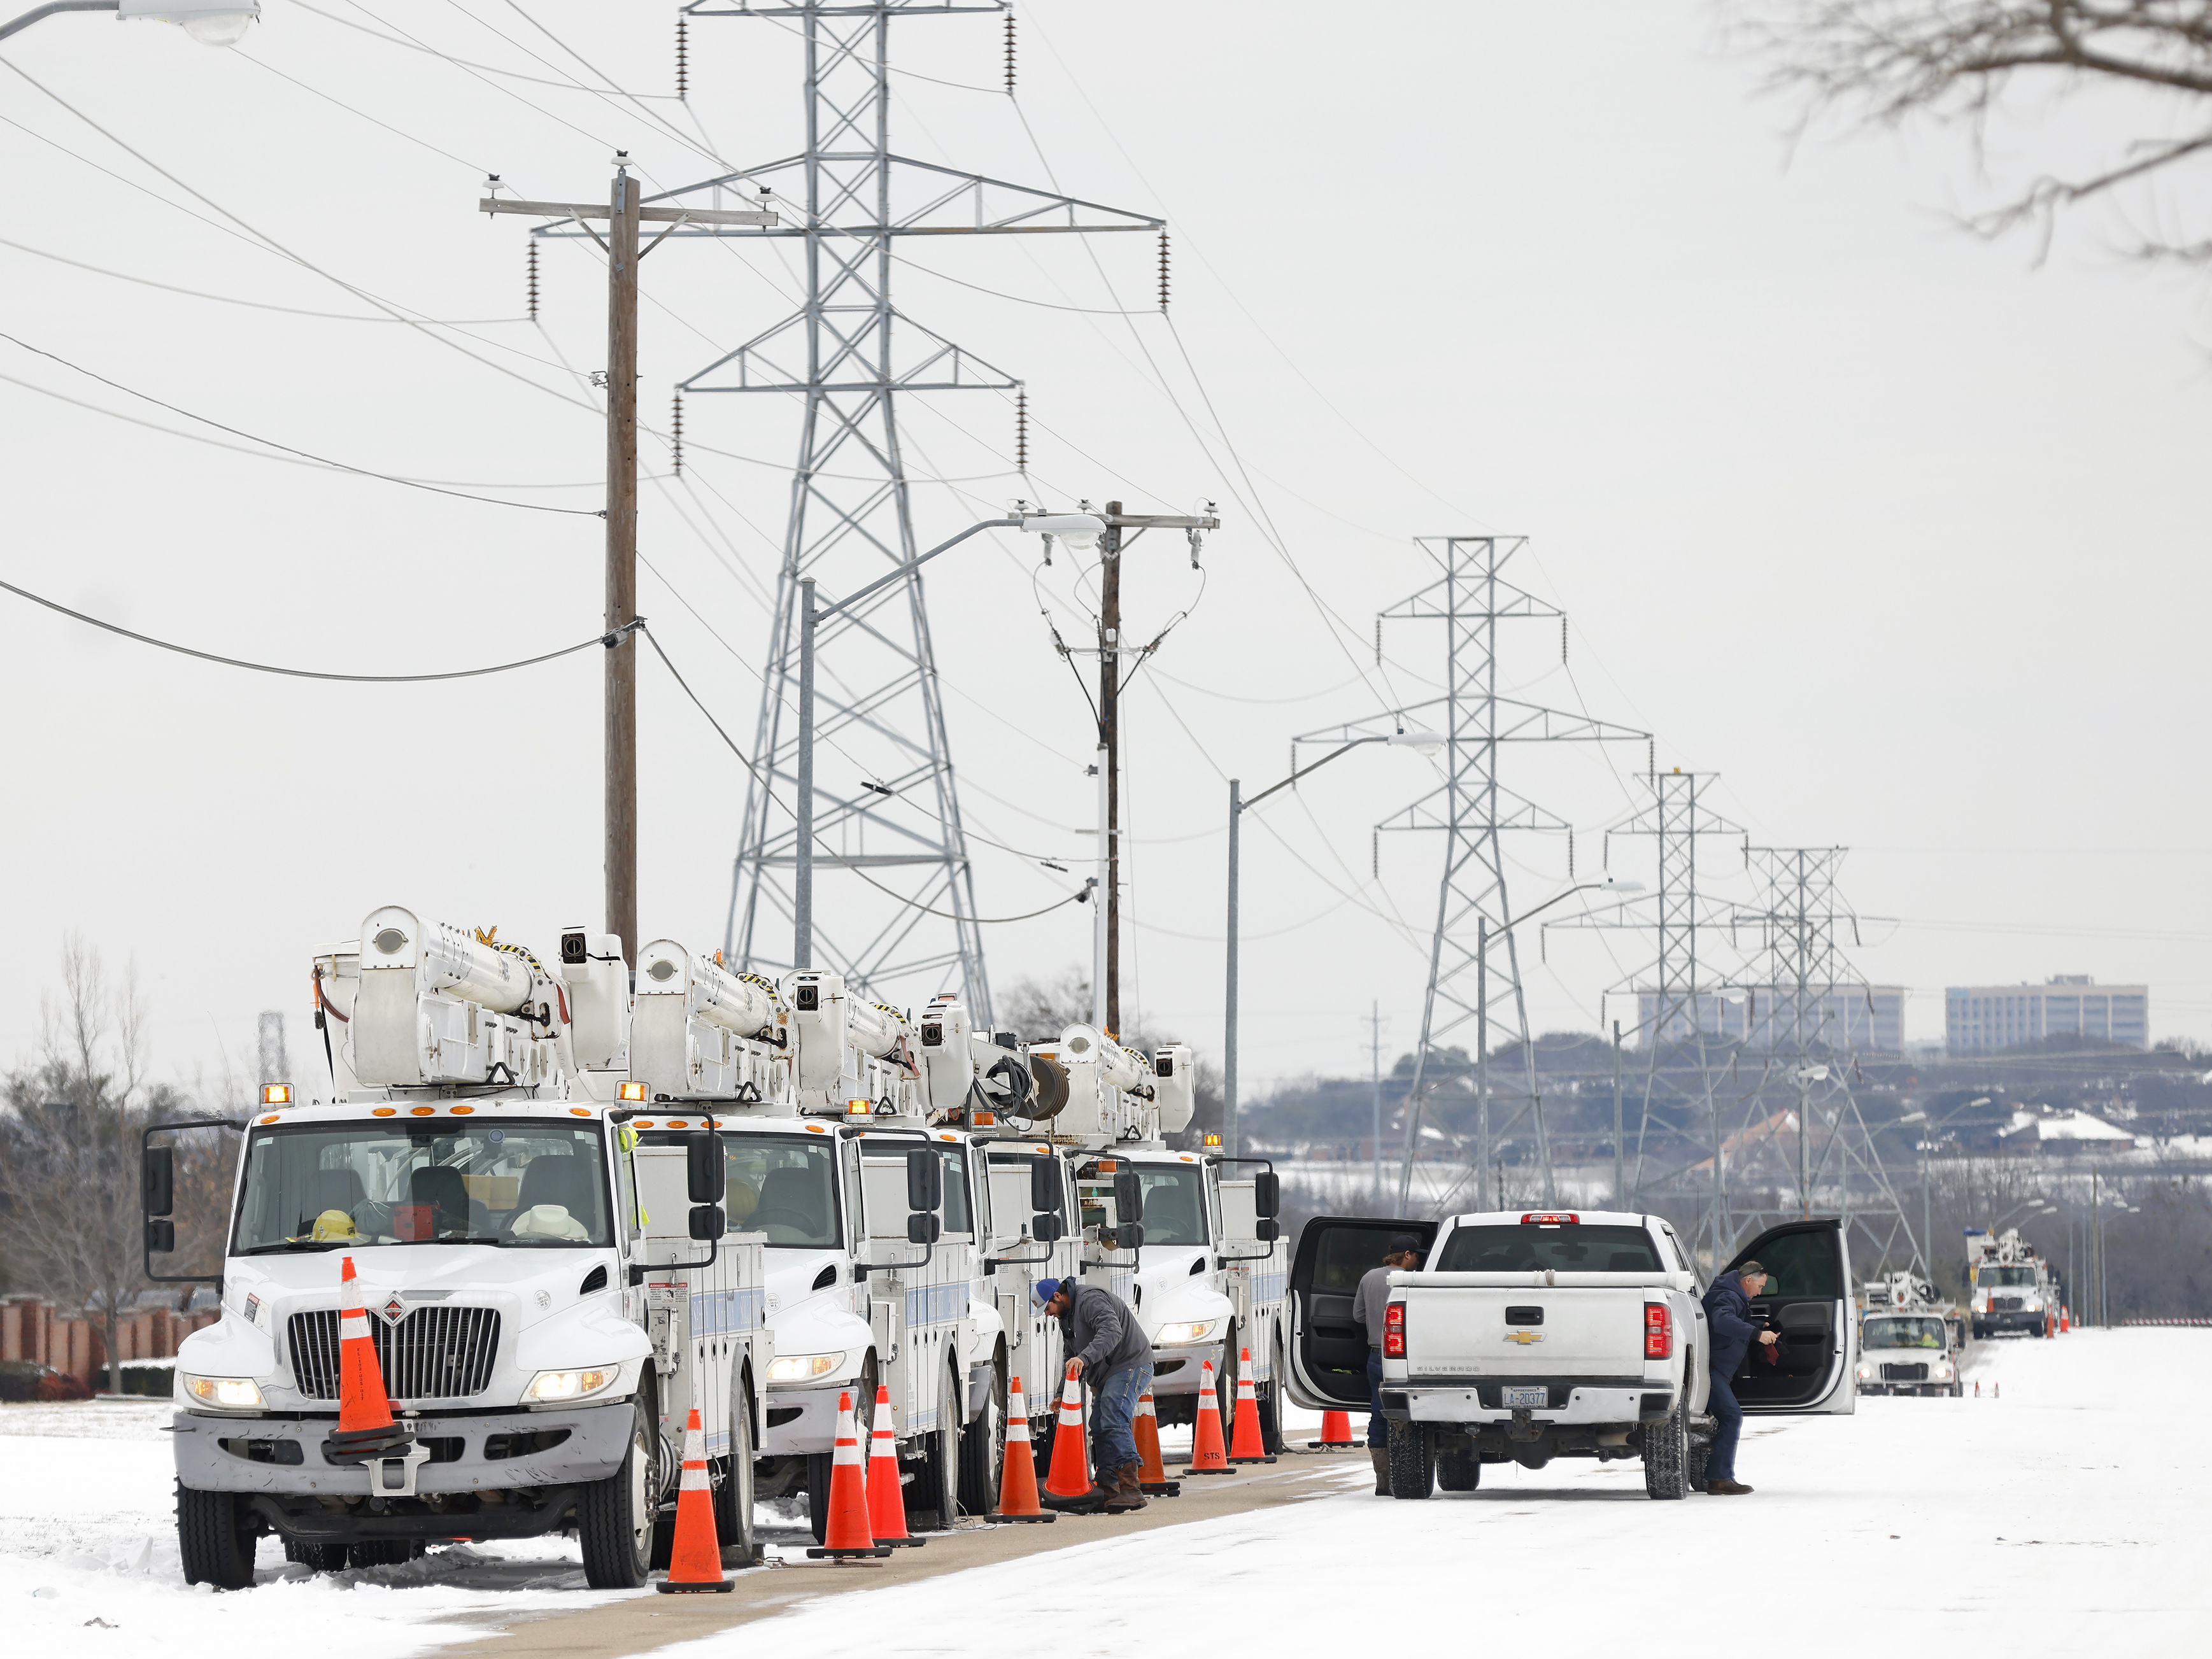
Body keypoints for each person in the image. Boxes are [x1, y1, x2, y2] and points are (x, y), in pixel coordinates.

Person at [1037, 1277, 1154, 1512]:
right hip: (1110, 1373)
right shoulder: (1066, 1318)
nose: (1048, 1315)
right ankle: (1109, 1489)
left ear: (1058, 1297)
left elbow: (1112, 1331)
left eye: (1047, 1308)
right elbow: (1071, 1356)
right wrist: (1062, 1392)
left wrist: (1085, 1358)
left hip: (1130, 1363)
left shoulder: (1090, 1299)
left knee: (1113, 1416)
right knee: (1099, 1425)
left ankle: (1131, 1489)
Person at [1699, 1259, 1778, 1496]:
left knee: (1729, 1417)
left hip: (1717, 1371)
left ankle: (1718, 1476)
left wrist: (1758, 1325)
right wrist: (1756, 1334)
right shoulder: (1728, 1296)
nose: (1759, 1291)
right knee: (1732, 1416)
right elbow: (1723, 1321)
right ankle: (1719, 1478)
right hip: (1711, 1371)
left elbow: (1732, 1320)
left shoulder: (1731, 1295)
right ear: (1748, 1280)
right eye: (1760, 1286)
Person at [1351, 1236, 1422, 1495]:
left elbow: (1358, 1316)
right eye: (1416, 1255)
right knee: (1413, 1415)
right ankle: (1407, 1473)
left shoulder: (1369, 1278)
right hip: (1406, 1359)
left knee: (1379, 1415)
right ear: (1406, 1255)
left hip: (1376, 1356)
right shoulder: (1411, 1282)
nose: (1418, 1260)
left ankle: (1383, 1480)